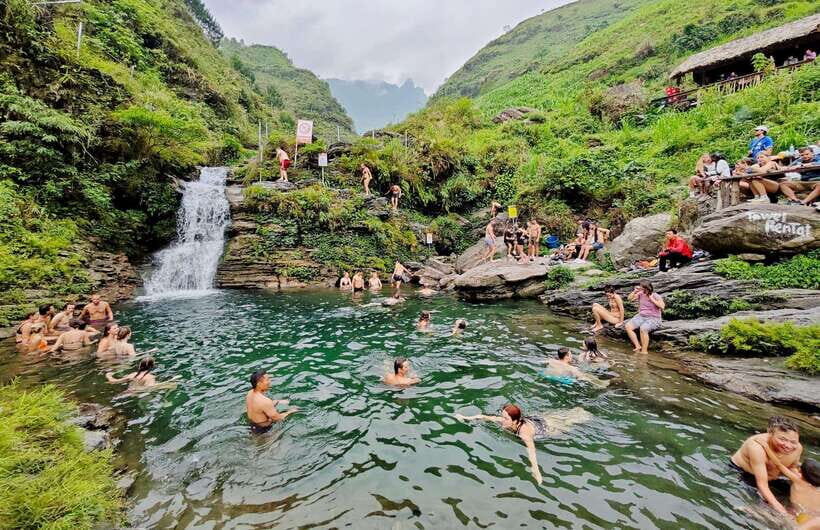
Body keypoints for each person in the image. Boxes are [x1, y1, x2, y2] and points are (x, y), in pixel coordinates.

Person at [454, 404, 592, 485]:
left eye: (506, 418)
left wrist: (535, 470)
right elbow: (484, 416)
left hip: (545, 429)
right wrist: (465, 418)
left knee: (571, 423)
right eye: (502, 416)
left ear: (514, 421)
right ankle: (578, 411)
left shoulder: (524, 433)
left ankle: (584, 413)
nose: (502, 420)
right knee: (569, 415)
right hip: (537, 419)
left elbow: (531, 451)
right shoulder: (505, 421)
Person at [731, 416, 804, 516]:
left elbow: (792, 467)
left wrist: (800, 483)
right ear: (770, 434)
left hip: (773, 479)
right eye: (783, 439)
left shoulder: (797, 448)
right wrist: (781, 511)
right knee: (772, 508)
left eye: (793, 442)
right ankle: (751, 510)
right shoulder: (756, 447)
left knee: (799, 503)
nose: (788, 445)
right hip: (745, 475)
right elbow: (762, 484)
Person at [755, 442, 819, 527]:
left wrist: (766, 447)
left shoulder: (798, 481)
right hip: (812, 518)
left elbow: (778, 464)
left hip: (796, 515)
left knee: (761, 509)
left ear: (801, 472)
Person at [245, 369, 299, 434]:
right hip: (263, 431)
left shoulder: (249, 393)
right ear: (259, 384)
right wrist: (290, 411)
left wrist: (277, 401)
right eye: (267, 380)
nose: (270, 382)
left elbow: (259, 407)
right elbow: (278, 418)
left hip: (251, 425)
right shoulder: (264, 401)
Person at [623, 281, 664, 354]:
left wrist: (652, 300)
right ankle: (638, 346)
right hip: (641, 316)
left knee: (643, 328)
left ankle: (644, 351)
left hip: (654, 318)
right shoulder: (641, 294)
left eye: (642, 287)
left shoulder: (655, 295)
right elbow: (629, 299)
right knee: (628, 326)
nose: (640, 288)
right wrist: (634, 291)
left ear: (647, 288)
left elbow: (662, 306)